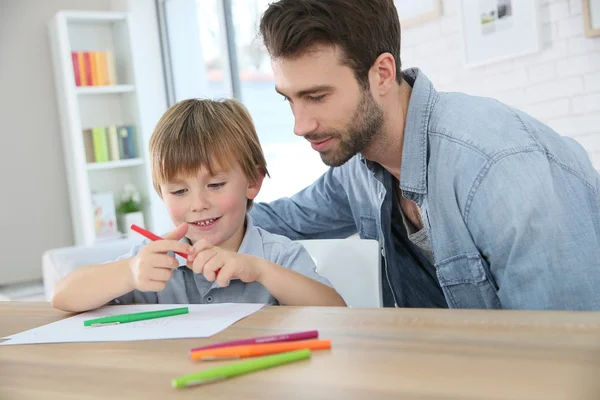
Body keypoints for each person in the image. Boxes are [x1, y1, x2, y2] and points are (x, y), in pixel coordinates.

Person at [249, 0, 600, 310]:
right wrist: (200, 216)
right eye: (289, 98)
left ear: (382, 74)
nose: (300, 125)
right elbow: (283, 219)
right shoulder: (359, 167)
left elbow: (572, 350)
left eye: (317, 97)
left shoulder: (499, 168)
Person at [51, 99, 346, 312]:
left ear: (253, 182)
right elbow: (62, 296)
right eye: (179, 190)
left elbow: (338, 312)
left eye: (215, 185)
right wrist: (129, 272)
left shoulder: (277, 256)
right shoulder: (154, 260)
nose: (198, 204)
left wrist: (259, 271)